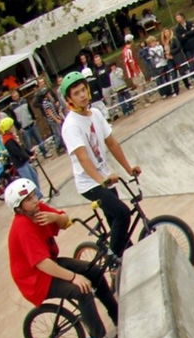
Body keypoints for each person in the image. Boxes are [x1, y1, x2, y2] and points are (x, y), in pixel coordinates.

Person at [5, 177, 121, 338]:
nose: (34, 200)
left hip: (50, 263)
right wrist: (73, 277)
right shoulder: (22, 227)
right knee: (82, 290)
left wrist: (54, 218)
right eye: (28, 199)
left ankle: (118, 314)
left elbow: (66, 221)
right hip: (35, 278)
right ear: (19, 207)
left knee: (94, 272)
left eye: (33, 195)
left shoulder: (39, 210)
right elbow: (42, 264)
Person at [58, 70, 142, 261]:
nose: (82, 96)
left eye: (83, 90)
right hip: (90, 183)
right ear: (69, 99)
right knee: (122, 213)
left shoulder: (95, 113)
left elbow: (111, 143)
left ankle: (127, 257)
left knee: (116, 223)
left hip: (104, 177)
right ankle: (113, 260)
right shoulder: (71, 125)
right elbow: (82, 157)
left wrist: (128, 169)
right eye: (76, 93)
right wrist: (101, 180)